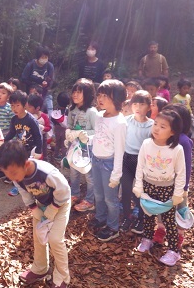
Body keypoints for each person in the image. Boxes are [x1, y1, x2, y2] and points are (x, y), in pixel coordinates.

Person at [0, 140, 71, 288]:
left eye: (13, 173)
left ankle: (62, 276)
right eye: (8, 175)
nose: (12, 178)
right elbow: (24, 192)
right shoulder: (17, 177)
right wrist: (34, 208)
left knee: (55, 239)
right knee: (39, 236)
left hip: (61, 204)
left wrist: (54, 208)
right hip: (42, 204)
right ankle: (40, 268)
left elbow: (64, 191)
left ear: (25, 164)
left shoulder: (46, 173)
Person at [133, 109, 186, 266]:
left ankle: (173, 251)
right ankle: (147, 239)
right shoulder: (146, 144)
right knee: (148, 215)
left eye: (163, 126)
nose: (156, 128)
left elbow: (181, 173)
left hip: (166, 189)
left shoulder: (177, 149)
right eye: (155, 124)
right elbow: (140, 166)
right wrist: (138, 185)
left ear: (173, 131)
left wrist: (178, 194)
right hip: (148, 186)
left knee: (169, 221)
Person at [89, 79, 127, 242]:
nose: (100, 99)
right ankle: (101, 217)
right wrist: (85, 138)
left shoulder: (120, 122)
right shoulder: (98, 115)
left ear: (117, 98)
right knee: (98, 193)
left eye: (105, 96)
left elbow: (120, 150)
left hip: (109, 164)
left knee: (110, 198)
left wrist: (116, 175)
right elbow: (99, 136)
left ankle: (113, 227)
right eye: (99, 95)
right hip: (96, 160)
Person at [154, 103, 193, 249]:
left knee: (179, 211)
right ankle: (161, 230)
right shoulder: (163, 138)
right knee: (161, 208)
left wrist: (184, 188)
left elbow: (187, 166)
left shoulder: (183, 141)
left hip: (178, 185)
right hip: (163, 183)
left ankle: (179, 235)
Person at [119, 91, 153, 234]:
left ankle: (141, 218)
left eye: (142, 104)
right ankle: (127, 216)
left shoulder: (151, 125)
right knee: (126, 190)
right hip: (126, 159)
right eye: (135, 103)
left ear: (149, 107)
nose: (138, 107)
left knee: (139, 191)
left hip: (142, 162)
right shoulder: (126, 121)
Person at [65, 79, 97, 213]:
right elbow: (70, 127)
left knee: (89, 175)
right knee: (73, 171)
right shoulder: (71, 110)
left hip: (87, 148)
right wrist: (69, 134)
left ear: (88, 94)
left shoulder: (91, 111)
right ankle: (75, 194)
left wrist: (82, 133)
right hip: (74, 147)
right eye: (74, 92)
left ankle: (90, 200)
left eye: (79, 92)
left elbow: (97, 131)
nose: (75, 95)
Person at [4, 90, 43, 196]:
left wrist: (39, 151)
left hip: (32, 149)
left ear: (25, 105)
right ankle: (19, 186)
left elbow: (38, 135)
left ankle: (35, 187)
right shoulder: (14, 119)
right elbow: (12, 132)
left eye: (17, 105)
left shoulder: (31, 120)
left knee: (30, 169)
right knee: (19, 168)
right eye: (12, 105)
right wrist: (4, 141)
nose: (14, 108)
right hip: (21, 149)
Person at [21, 46, 55, 118]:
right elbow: (24, 78)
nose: (44, 59)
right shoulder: (31, 65)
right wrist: (33, 85)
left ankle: (49, 127)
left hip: (45, 93)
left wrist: (47, 84)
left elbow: (51, 80)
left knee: (49, 113)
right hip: (32, 93)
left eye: (46, 57)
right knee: (30, 113)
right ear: (38, 56)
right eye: (43, 57)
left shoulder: (49, 66)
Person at [0, 82, 15, 181]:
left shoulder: (10, 108)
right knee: (0, 154)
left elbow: (13, 123)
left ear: (8, 97)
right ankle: (2, 171)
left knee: (9, 153)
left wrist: (14, 136)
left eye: (3, 93)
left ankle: (11, 173)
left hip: (7, 134)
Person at [26, 94, 52, 161]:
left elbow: (49, 127)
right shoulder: (26, 115)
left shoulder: (44, 116)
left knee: (41, 152)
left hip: (42, 138)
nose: (27, 108)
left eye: (29, 107)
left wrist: (42, 128)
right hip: (29, 138)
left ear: (37, 108)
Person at [52, 92, 70, 160]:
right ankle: (64, 157)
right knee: (64, 144)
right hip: (64, 129)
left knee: (57, 143)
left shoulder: (56, 111)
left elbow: (53, 119)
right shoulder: (67, 111)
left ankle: (56, 155)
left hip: (57, 128)